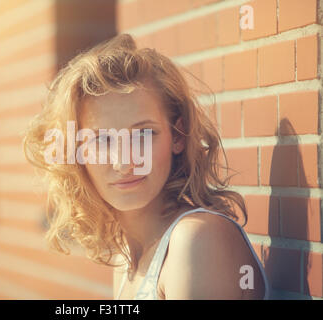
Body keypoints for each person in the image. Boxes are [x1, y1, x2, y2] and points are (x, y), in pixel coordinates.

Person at [23, 33, 270, 300]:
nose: (125, 162)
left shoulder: (197, 240)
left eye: (142, 135)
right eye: (101, 140)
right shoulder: (126, 258)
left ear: (177, 135)